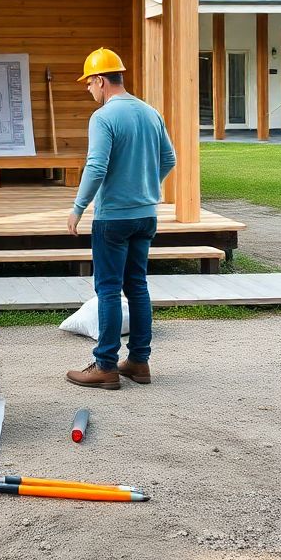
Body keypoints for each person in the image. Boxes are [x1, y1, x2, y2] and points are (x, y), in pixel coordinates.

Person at [65, 47, 176, 390]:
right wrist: (145, 187)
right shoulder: (150, 112)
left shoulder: (103, 117)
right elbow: (169, 159)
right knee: (137, 286)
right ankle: (139, 362)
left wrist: (78, 207)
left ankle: (105, 366)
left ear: (101, 80)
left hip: (112, 219)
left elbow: (96, 166)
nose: (88, 89)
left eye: (89, 83)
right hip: (146, 216)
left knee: (109, 290)